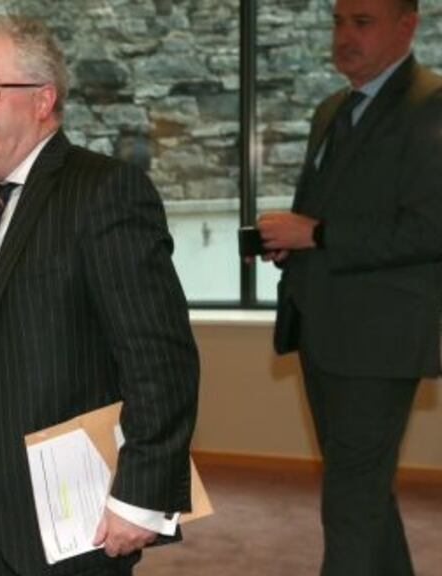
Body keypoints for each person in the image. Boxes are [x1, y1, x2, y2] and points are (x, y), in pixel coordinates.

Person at [0, 16, 200, 576]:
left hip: (75, 506)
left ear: (43, 98)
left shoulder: (103, 190)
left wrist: (142, 495)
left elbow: (160, 357)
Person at [256, 1, 442, 574]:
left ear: (406, 26)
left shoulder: (432, 104)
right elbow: (325, 215)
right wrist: (294, 239)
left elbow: (430, 228)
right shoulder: (332, 109)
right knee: (364, 494)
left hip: (380, 342)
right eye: (339, 22)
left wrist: (318, 233)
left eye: (362, 23)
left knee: (349, 504)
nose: (344, 36)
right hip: (322, 332)